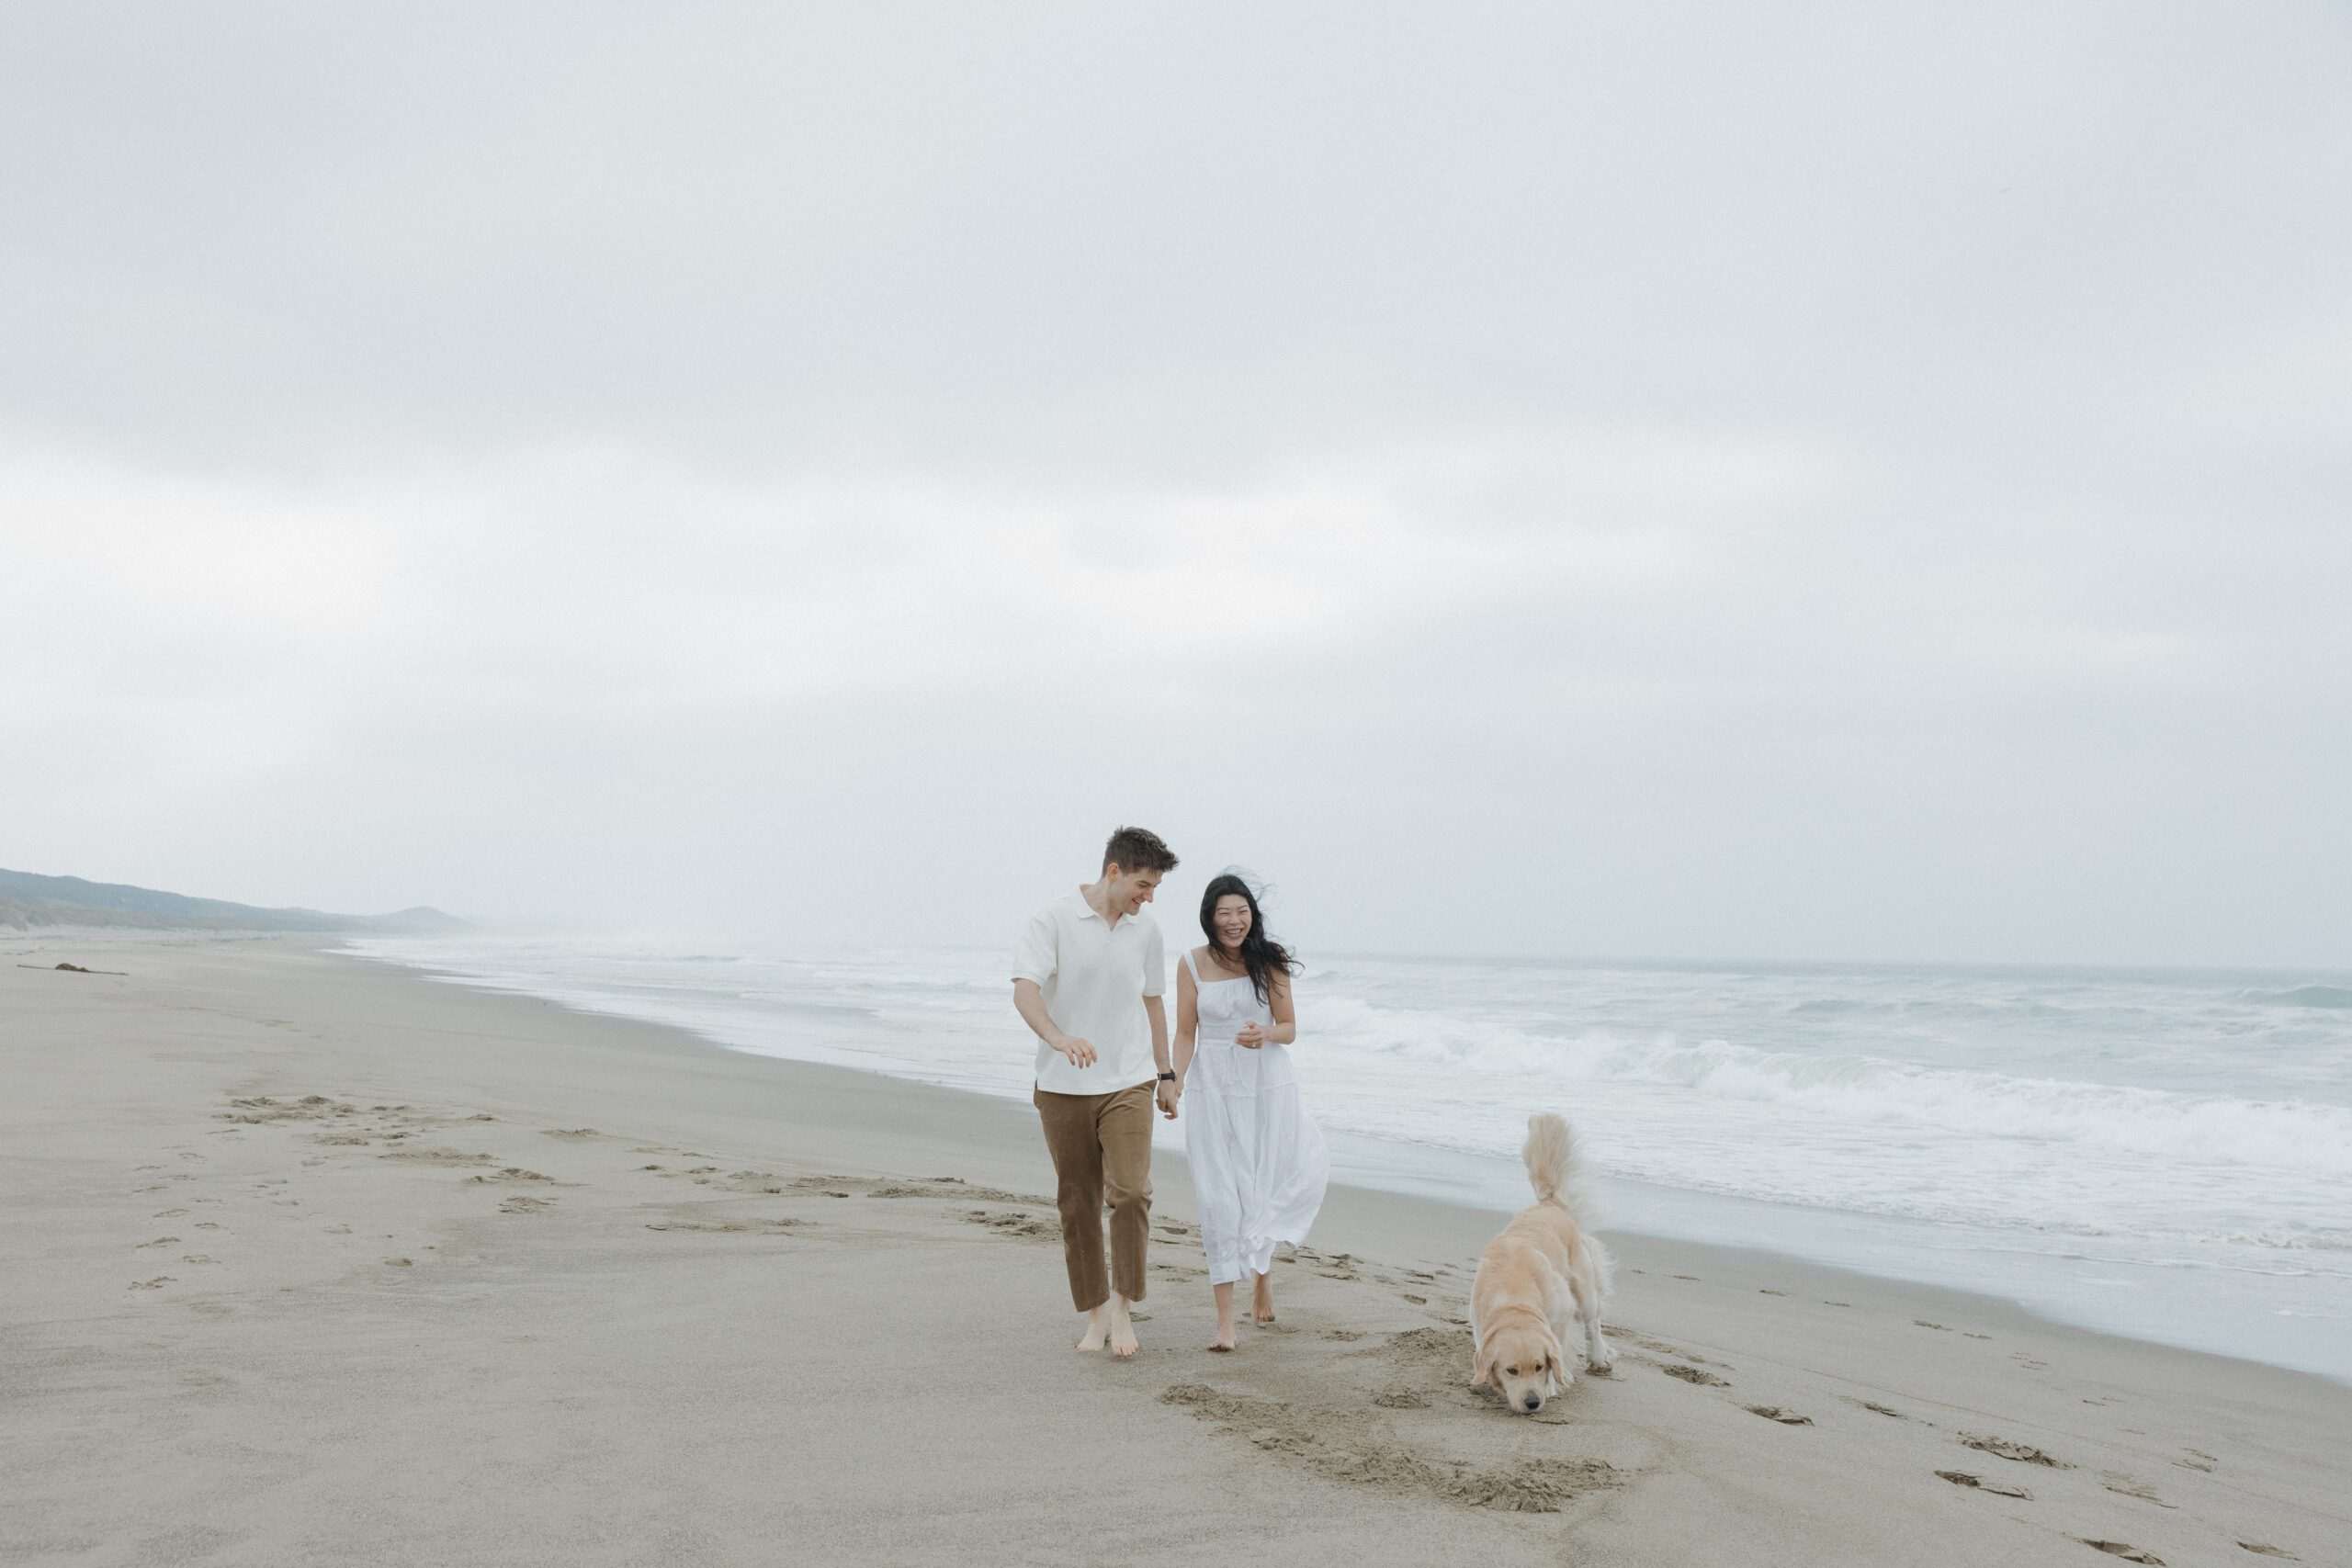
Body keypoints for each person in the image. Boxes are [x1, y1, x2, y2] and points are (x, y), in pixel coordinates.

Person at [1012, 826, 1182, 1358]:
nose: (1148, 896)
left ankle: (1126, 1309)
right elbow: (1025, 989)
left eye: (1153, 888)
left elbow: (1153, 1001)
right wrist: (1058, 1038)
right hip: (1063, 1085)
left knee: (1130, 1193)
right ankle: (1096, 1315)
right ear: (1114, 872)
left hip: (1129, 1079)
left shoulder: (1145, 930)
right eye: (1143, 884)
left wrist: (1166, 1074)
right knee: (1078, 1201)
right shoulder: (1053, 918)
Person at [1171, 869, 1329, 1351]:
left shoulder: (1270, 959)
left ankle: (1261, 1273)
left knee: (1262, 1188)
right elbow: (1184, 1033)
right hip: (1212, 1087)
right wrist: (1172, 1083)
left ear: (1251, 915)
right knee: (1219, 1197)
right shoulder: (1191, 964)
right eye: (1225, 913)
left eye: (1242, 912)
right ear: (1210, 918)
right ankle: (1224, 1323)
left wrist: (1265, 1035)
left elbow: (1288, 1028)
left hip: (1266, 1084)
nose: (1235, 921)